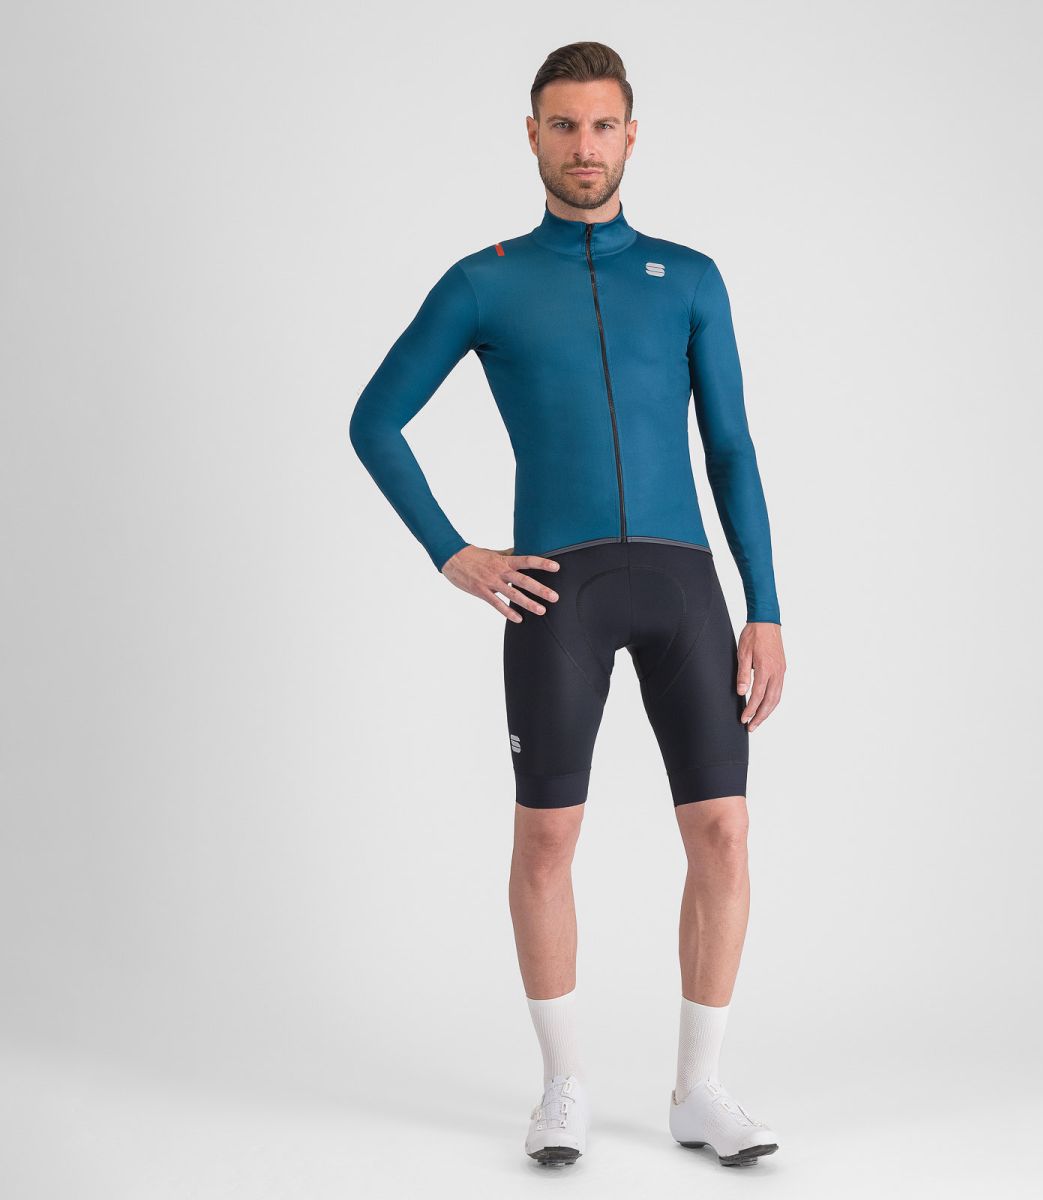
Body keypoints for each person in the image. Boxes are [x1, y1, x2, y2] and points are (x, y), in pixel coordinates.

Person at [349, 41, 786, 1168]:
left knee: (725, 831)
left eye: (601, 126)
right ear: (533, 135)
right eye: (563, 126)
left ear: (631, 135)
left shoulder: (692, 277)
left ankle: (699, 1090)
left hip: (685, 586)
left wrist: (766, 605)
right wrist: (452, 552)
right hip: (559, 590)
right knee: (547, 837)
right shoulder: (485, 280)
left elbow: (730, 451)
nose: (583, 147)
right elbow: (374, 420)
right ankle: (562, 1088)